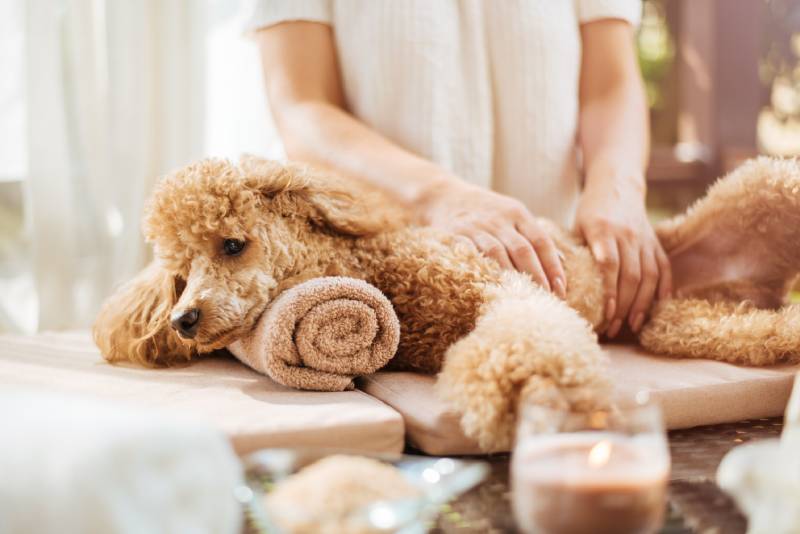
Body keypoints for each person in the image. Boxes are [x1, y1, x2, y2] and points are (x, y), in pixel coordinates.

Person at [249, 0, 671, 338]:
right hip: (380, 299)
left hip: (560, 290)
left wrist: (618, 187)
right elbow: (302, 106)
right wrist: (439, 197)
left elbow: (609, 85)